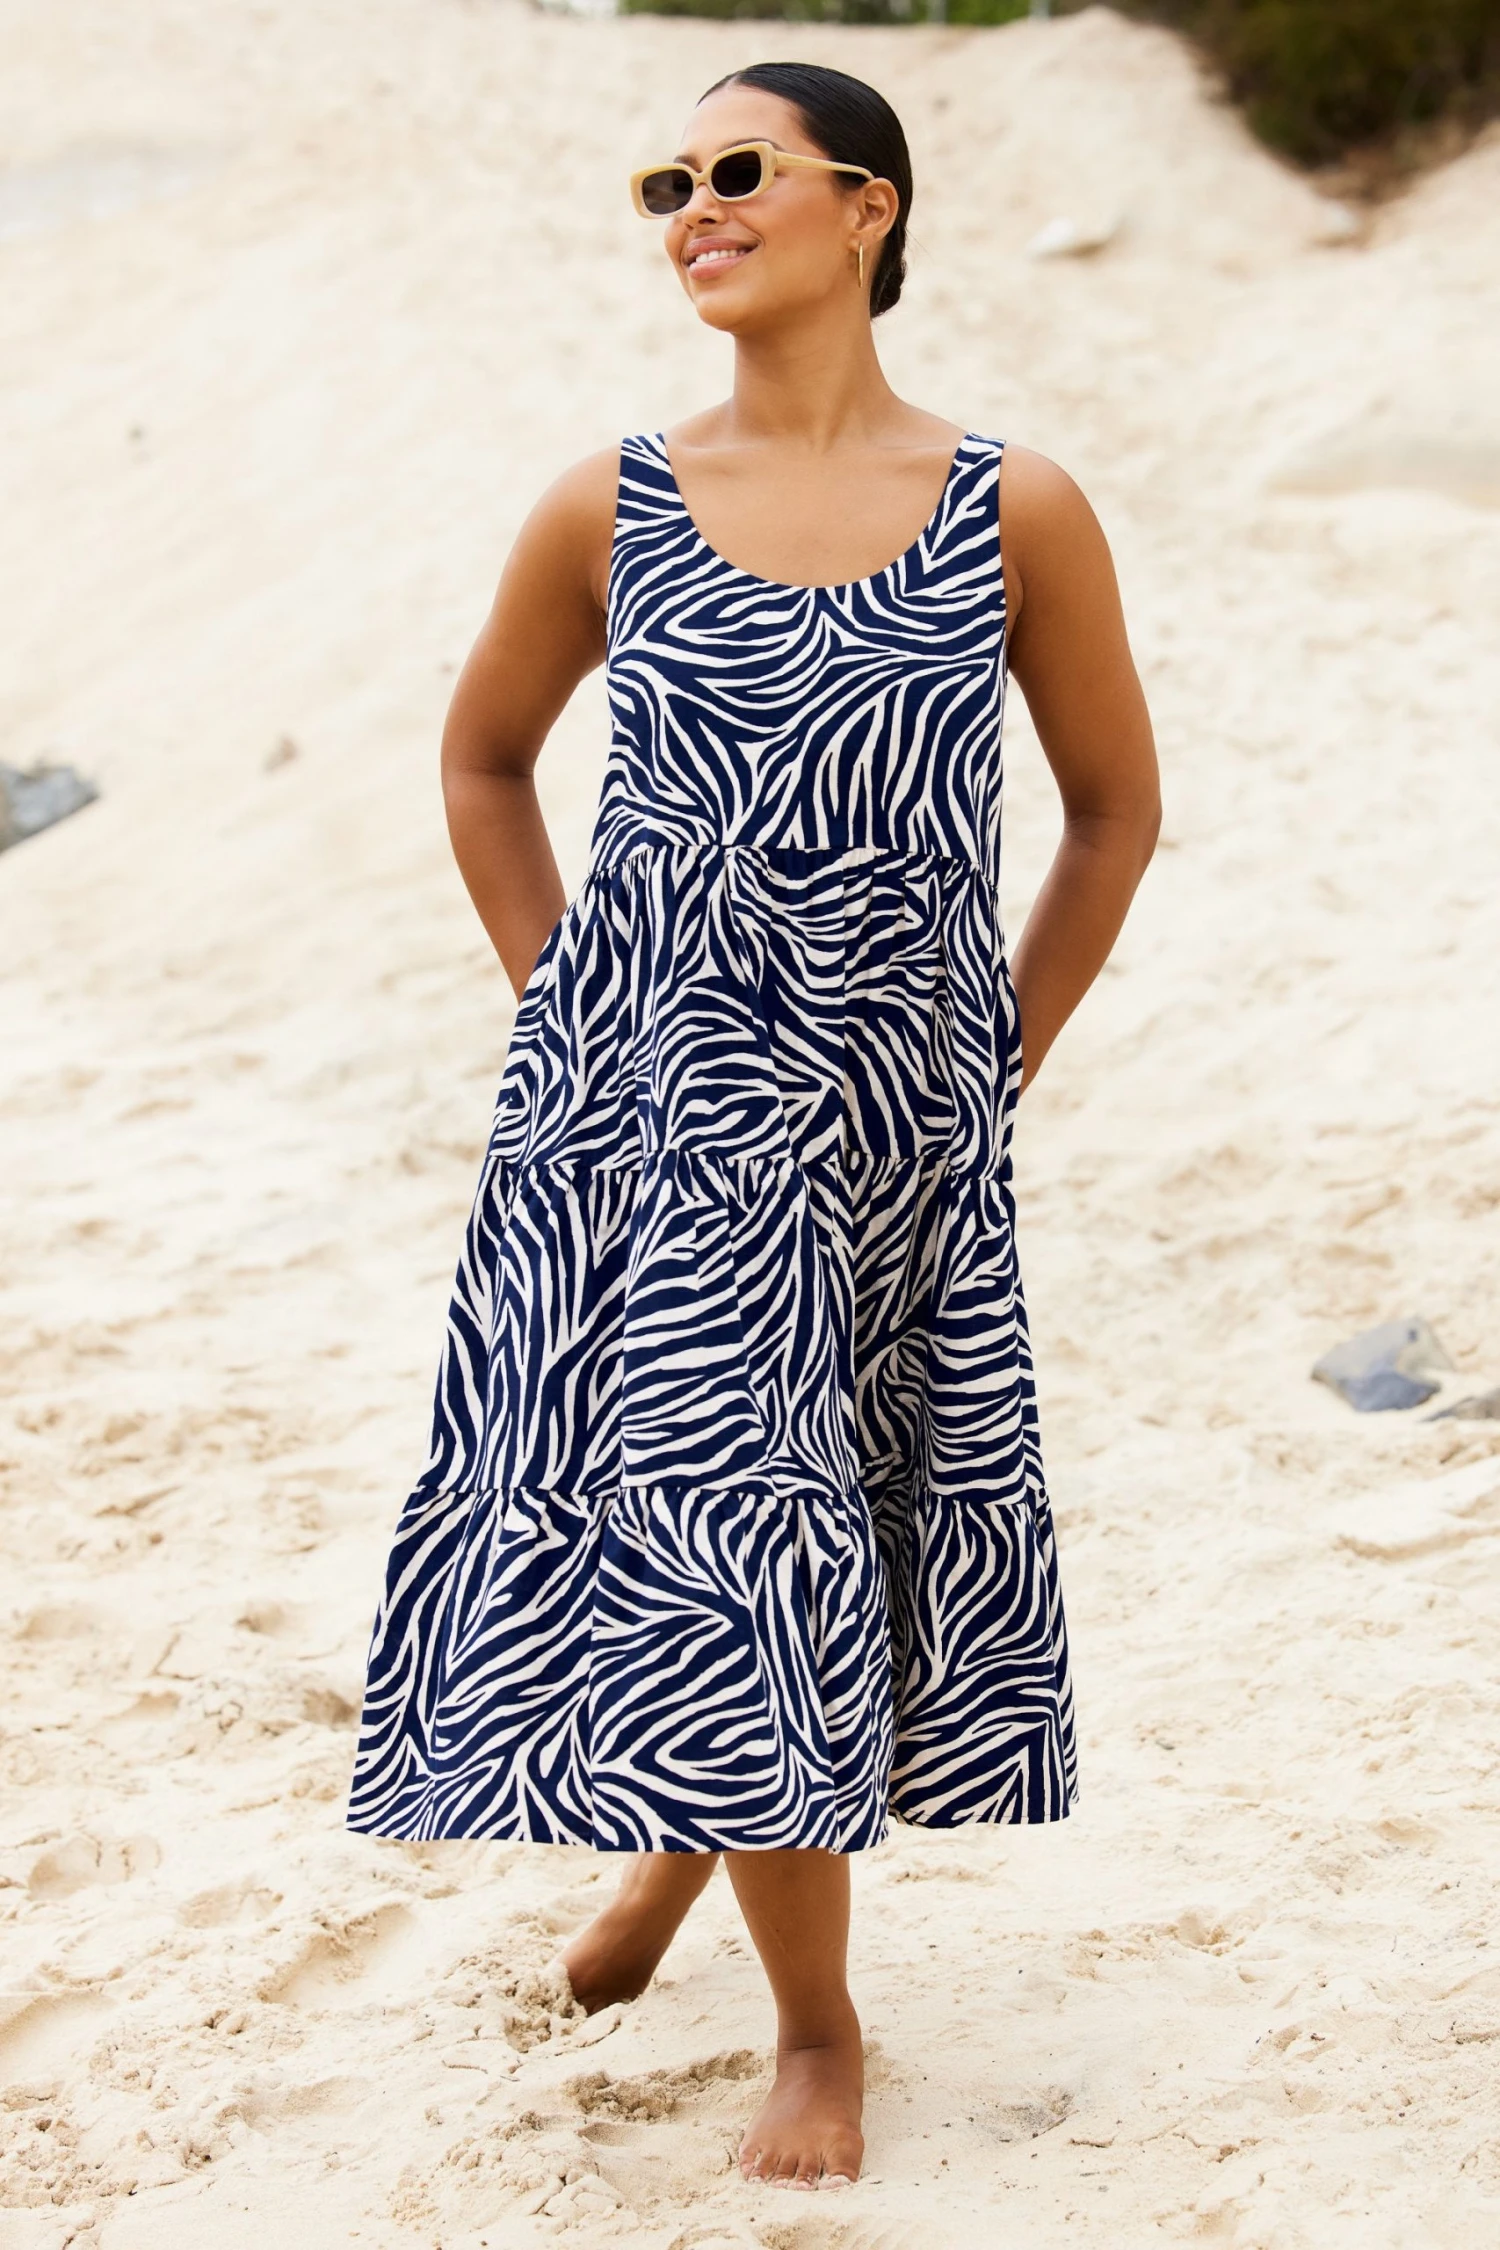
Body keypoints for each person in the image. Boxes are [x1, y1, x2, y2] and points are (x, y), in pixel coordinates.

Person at [347, 58, 1160, 2193]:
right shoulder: (606, 504)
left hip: (892, 1136)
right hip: (652, 1127)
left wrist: (999, 1052)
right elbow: (483, 761)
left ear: (868, 208)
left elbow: (1112, 811)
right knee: (740, 1527)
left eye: (737, 171)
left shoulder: (1016, 508)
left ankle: (679, 1874)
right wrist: (564, 1005)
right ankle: (817, 2021)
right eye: (666, 184)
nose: (692, 210)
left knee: (808, 1526)